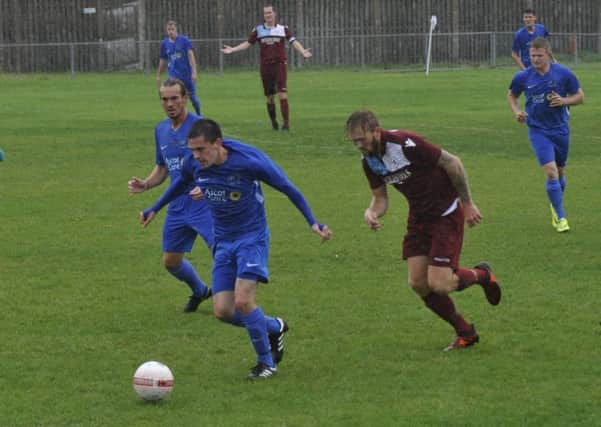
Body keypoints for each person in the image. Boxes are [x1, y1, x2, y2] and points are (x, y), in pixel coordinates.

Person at [141, 118, 332, 379]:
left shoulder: (249, 161)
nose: (195, 156)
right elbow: (180, 183)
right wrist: (154, 207)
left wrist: (313, 222)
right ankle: (274, 326)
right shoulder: (193, 163)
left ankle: (266, 364)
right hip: (223, 240)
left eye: (200, 150)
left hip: (251, 238)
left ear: (217, 143)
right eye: (192, 151)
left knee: (243, 301)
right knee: (223, 311)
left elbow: (288, 188)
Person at [345, 110, 502, 351]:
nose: (358, 145)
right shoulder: (369, 162)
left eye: (361, 139)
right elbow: (380, 198)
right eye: (354, 141)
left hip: (446, 213)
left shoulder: (405, 143)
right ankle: (466, 332)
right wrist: (372, 212)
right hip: (419, 217)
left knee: (439, 284)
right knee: (419, 283)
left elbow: (453, 163)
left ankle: (482, 275)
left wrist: (467, 203)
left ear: (376, 131)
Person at [128, 78, 214, 312]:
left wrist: (206, 187)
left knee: (222, 251)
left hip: (204, 203)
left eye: (174, 98)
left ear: (185, 98)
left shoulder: (202, 127)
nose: (169, 104)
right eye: (164, 99)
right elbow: (163, 167)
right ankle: (201, 291)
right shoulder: (161, 130)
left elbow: (219, 163)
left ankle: (234, 302)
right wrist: (145, 184)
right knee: (171, 261)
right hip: (177, 204)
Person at [507, 37, 584, 233]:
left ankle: (554, 201)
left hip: (560, 129)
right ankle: (561, 217)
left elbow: (580, 96)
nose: (535, 59)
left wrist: (565, 101)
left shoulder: (563, 73)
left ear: (548, 54)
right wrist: (517, 112)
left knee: (560, 172)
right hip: (538, 130)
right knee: (550, 171)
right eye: (532, 56)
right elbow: (512, 95)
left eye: (539, 55)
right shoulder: (523, 77)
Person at [220, 5, 312, 131]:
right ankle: (274, 121)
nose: (268, 15)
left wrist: (302, 51)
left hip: (280, 65)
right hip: (266, 67)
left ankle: (286, 124)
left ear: (274, 14)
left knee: (283, 94)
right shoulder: (258, 30)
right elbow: (248, 43)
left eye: (270, 13)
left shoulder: (282, 29)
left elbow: (293, 41)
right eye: (265, 13)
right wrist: (233, 49)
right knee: (269, 97)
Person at [156, 21, 202, 116]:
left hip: (186, 74)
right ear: (166, 31)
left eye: (172, 29)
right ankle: (175, 117)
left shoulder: (184, 40)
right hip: (173, 76)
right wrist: (158, 75)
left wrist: (194, 72)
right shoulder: (164, 43)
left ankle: (199, 116)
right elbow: (163, 60)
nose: (170, 31)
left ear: (176, 29)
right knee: (173, 97)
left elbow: (190, 55)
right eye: (169, 29)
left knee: (193, 98)